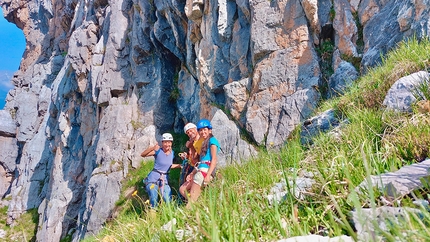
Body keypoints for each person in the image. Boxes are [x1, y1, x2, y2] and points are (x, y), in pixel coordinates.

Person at [180, 119, 220, 207]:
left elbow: (213, 159)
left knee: (192, 201)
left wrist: (208, 175)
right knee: (183, 189)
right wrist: (192, 173)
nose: (202, 132)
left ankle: (187, 215)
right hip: (200, 169)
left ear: (209, 130)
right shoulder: (204, 144)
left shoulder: (212, 141)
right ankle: (198, 205)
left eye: (204, 130)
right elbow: (200, 162)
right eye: (201, 130)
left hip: (204, 171)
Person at [141, 133, 181, 208]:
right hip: (153, 179)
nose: (167, 144)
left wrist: (179, 166)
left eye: (169, 142)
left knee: (168, 198)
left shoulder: (172, 153)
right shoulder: (158, 151)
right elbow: (143, 155)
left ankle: (170, 214)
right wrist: (152, 148)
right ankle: (153, 216)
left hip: (164, 179)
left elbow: (168, 165)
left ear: (171, 143)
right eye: (165, 142)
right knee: (153, 197)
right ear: (162, 143)